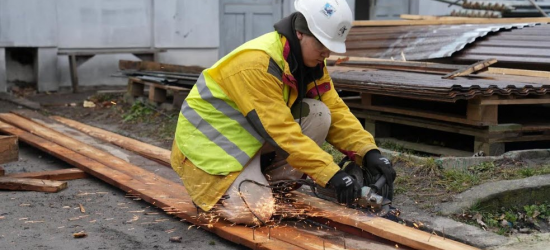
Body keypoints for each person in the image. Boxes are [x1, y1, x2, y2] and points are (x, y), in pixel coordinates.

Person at [170, 0, 396, 225]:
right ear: (300, 33)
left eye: (331, 47)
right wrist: (331, 173)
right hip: (208, 153)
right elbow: (281, 132)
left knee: (320, 114)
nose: (326, 54)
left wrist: (368, 152)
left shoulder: (309, 62)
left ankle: (274, 188)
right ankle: (214, 197)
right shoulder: (258, 64)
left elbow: (336, 110)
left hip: (247, 141)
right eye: (322, 46)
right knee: (254, 212)